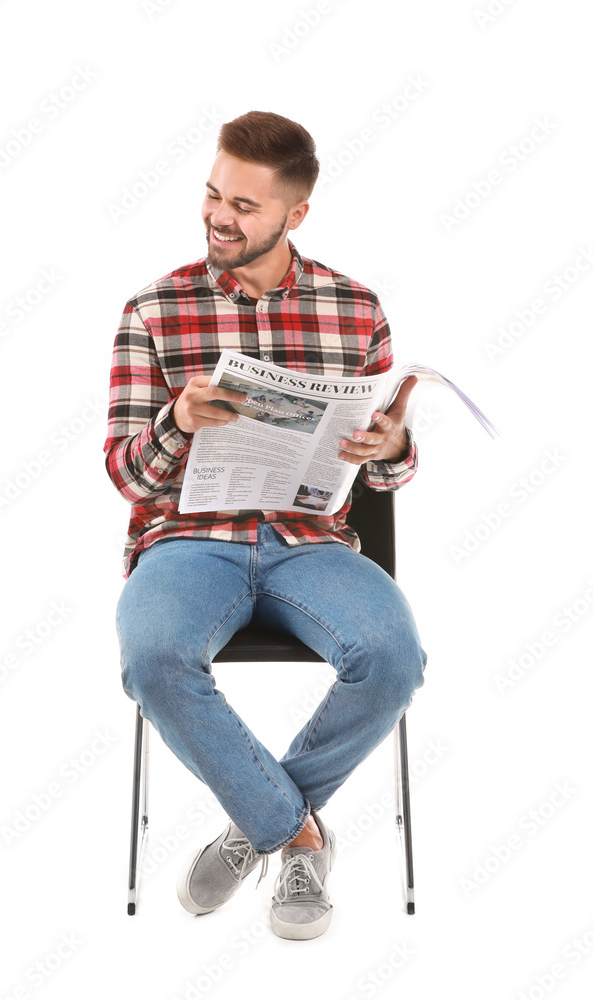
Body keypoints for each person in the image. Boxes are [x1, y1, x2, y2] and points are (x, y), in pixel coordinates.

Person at [104, 110, 428, 940]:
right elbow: (127, 474)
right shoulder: (154, 310)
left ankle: (256, 822)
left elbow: (389, 473)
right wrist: (178, 419)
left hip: (309, 544)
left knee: (393, 656)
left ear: (296, 214)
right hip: (186, 542)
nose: (219, 215)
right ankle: (296, 834)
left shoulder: (355, 309)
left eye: (245, 206)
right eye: (214, 194)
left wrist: (392, 445)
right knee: (153, 656)